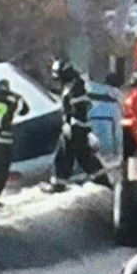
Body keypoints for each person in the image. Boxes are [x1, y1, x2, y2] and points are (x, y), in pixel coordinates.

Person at [47, 59, 112, 192]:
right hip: (73, 127)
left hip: (77, 127)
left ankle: (103, 183)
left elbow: (79, 108)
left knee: (82, 156)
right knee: (66, 155)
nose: (57, 80)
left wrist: (71, 123)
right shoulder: (71, 85)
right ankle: (60, 183)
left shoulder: (76, 86)